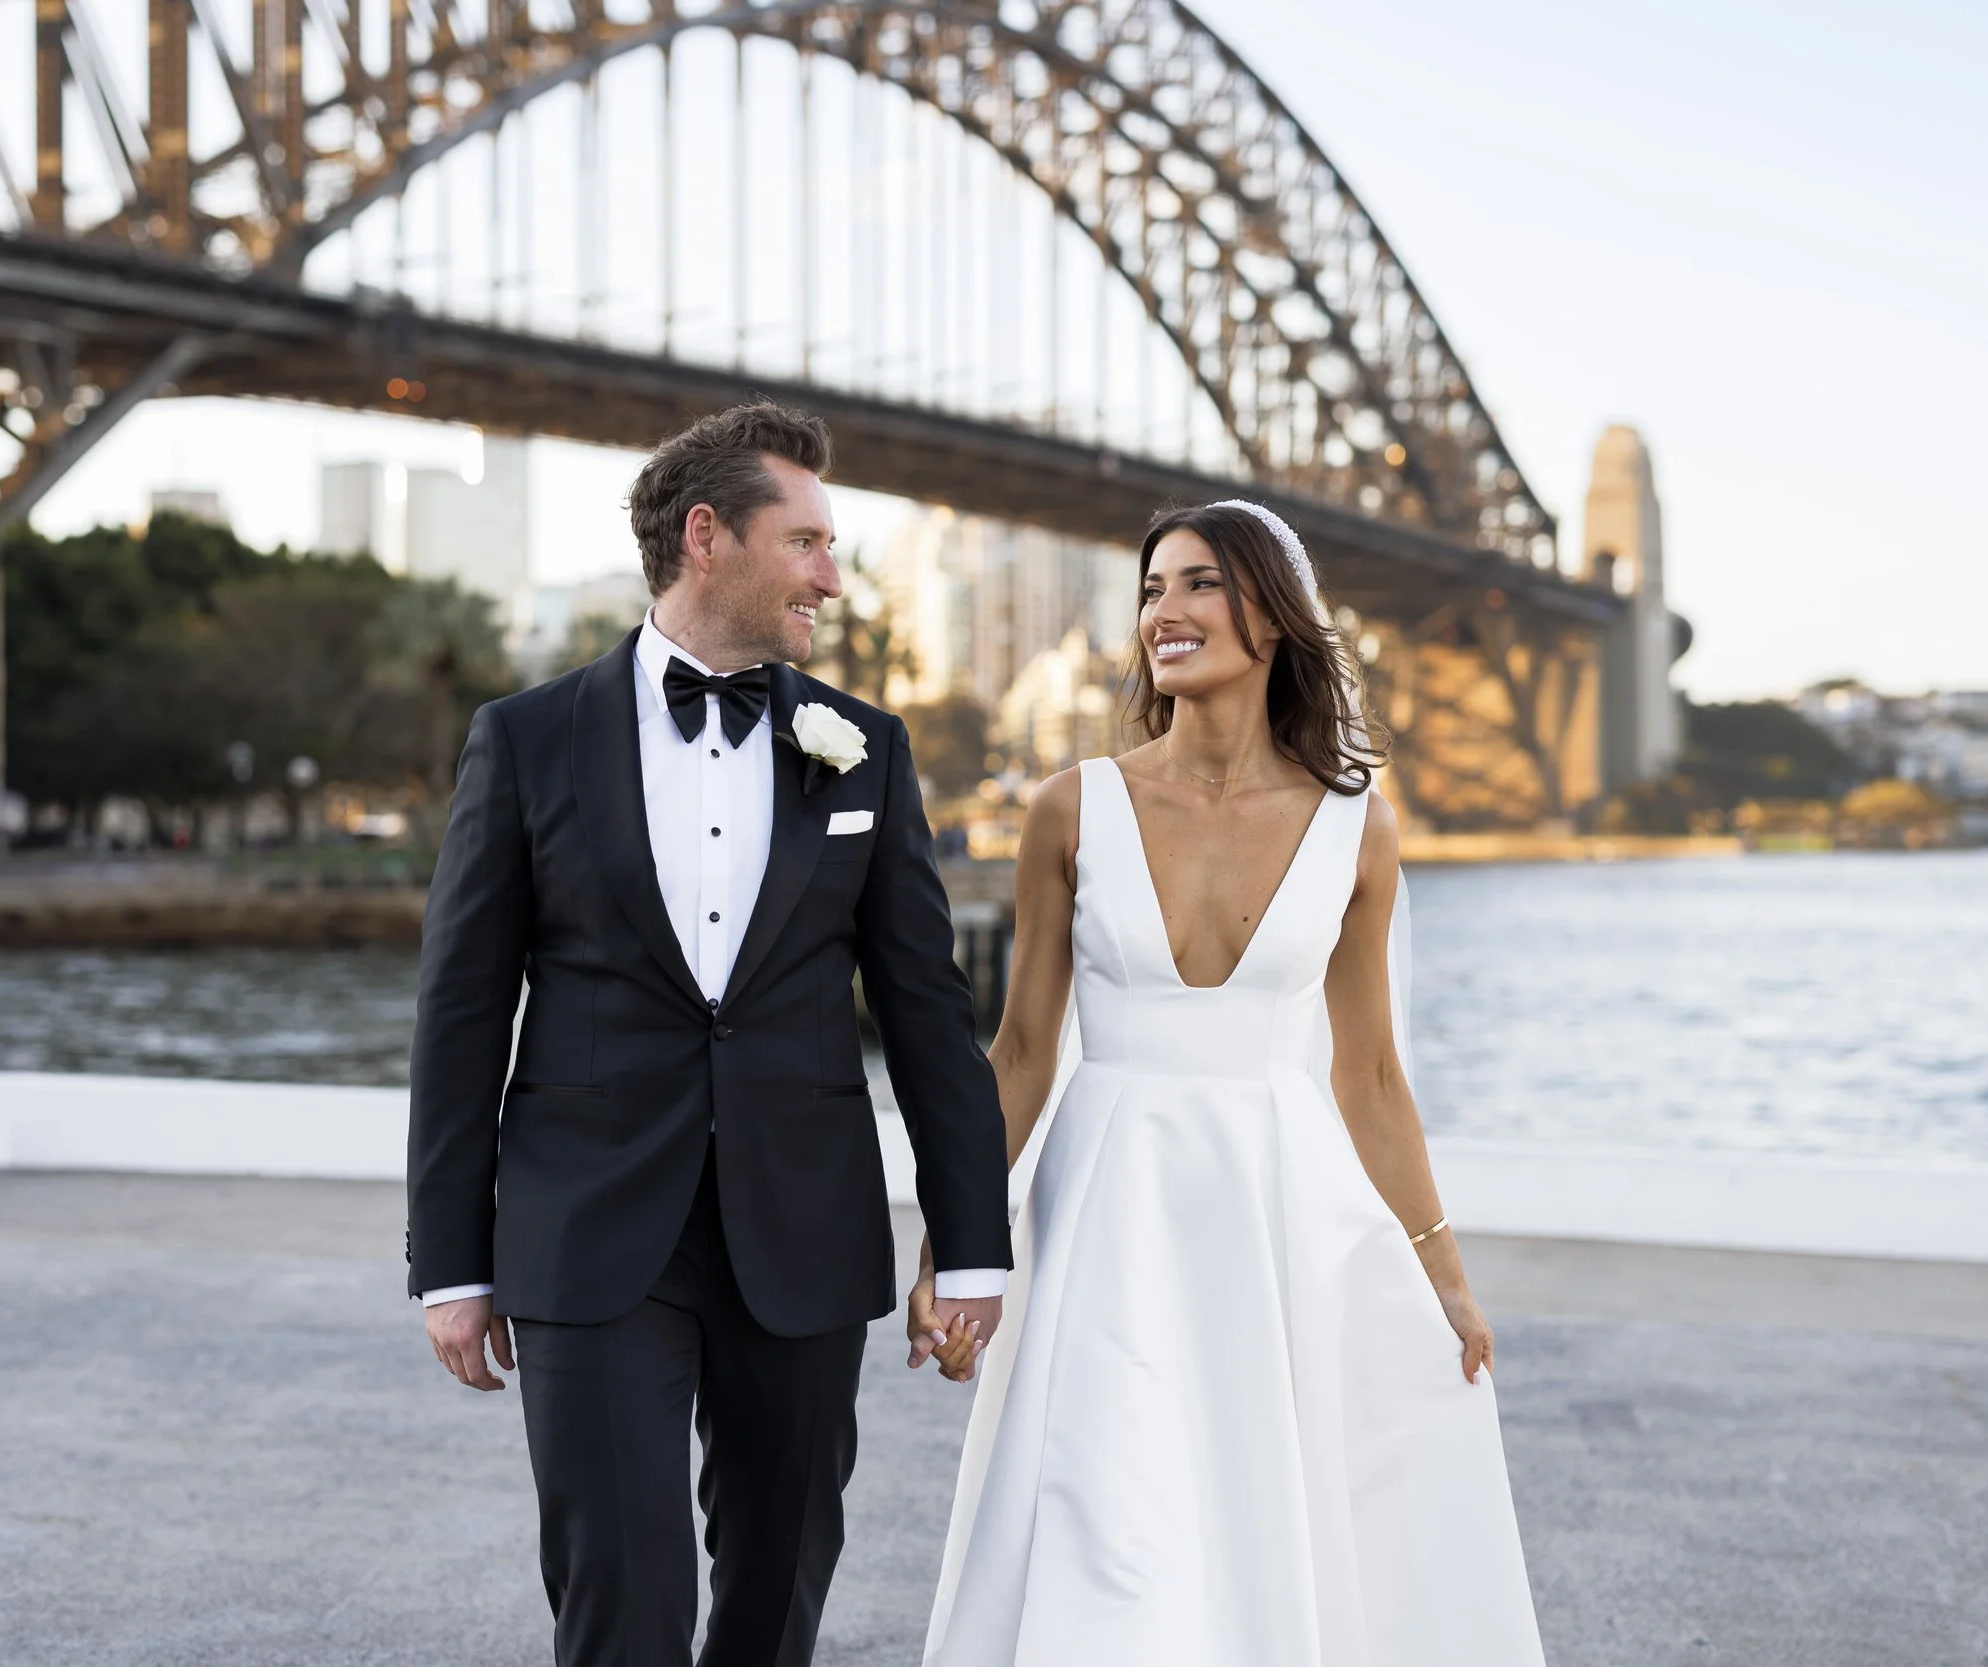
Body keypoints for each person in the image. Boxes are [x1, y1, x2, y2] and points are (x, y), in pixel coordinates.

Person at [405, 400, 1011, 1667]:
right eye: (807, 543)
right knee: (619, 1591)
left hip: (801, 1227)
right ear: (706, 538)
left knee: (777, 1587)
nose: (832, 580)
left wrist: (970, 1246)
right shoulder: (524, 741)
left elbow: (927, 1015)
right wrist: (450, 1261)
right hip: (587, 1230)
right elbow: (463, 1013)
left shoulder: (868, 754)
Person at [912, 500, 1548, 1664]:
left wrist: (1443, 1274)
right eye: (1152, 588)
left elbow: (1368, 1076)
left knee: (1252, 1512)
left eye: (1200, 583)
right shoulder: (1071, 807)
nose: (1165, 610)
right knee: (1099, 1504)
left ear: (1273, 613)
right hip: (1105, 1199)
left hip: (1275, 1213)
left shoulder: (1358, 825)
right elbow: (1018, 1054)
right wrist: (951, 1245)